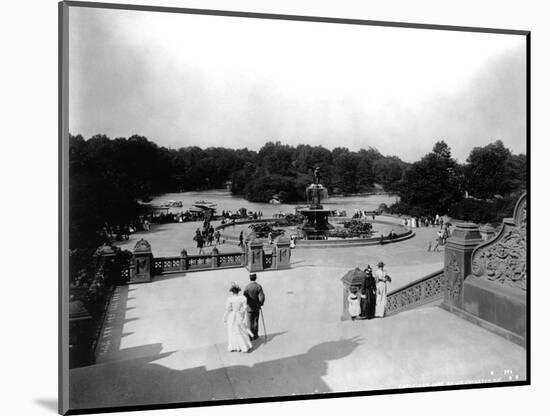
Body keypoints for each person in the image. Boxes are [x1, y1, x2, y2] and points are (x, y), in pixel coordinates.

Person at [223, 283, 252, 353]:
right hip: (238, 314)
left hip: (232, 315)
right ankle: (243, 346)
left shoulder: (230, 299)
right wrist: (242, 314)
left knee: (233, 330)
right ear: (238, 291)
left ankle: (234, 346)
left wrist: (225, 317)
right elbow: (245, 307)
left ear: (232, 292)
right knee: (240, 330)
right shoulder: (242, 298)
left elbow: (228, 309)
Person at [243, 273, 265, 340]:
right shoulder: (258, 286)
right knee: (256, 321)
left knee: (249, 322)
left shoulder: (247, 287)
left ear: (250, 278)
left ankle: (250, 336)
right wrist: (260, 303)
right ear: (256, 278)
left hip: (249, 307)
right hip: (256, 307)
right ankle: (255, 335)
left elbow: (244, 297)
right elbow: (262, 297)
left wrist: (246, 304)